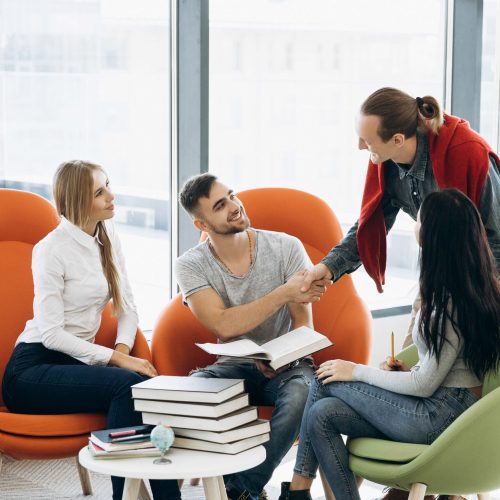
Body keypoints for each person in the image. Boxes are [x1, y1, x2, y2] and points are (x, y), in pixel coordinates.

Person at [279, 188, 500, 500]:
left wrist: (355, 370)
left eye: (420, 221)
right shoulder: (470, 285)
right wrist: (408, 369)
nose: (415, 226)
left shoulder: (449, 303)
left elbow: (424, 385)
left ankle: (297, 491)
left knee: (322, 379)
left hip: (440, 418)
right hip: (445, 407)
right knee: (322, 414)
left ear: (434, 236)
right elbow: (446, 366)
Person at [1, 160, 181, 500]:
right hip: (31, 371)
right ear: (79, 201)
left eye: (108, 185)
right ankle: (127, 495)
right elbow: (52, 334)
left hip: (73, 365)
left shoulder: (108, 234)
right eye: (100, 192)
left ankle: (161, 496)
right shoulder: (51, 250)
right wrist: (115, 359)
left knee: (145, 389)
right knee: (129, 386)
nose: (112, 196)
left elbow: (127, 306)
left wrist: (124, 353)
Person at [175, 173, 331, 500]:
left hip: (290, 364)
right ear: (202, 225)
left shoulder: (286, 247)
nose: (234, 206)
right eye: (221, 205)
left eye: (231, 195)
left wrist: (277, 355)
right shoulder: (190, 265)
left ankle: (239, 490)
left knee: (304, 395)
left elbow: (304, 325)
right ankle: (244, 490)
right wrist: (282, 293)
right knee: (191, 392)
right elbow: (223, 325)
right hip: (235, 365)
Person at [301, 87, 500, 297]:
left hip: (484, 287)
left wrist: (475, 299)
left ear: (397, 140)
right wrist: (327, 268)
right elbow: (371, 226)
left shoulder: (470, 154)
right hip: (444, 278)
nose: (360, 147)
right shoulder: (386, 159)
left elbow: (497, 240)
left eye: (367, 141)